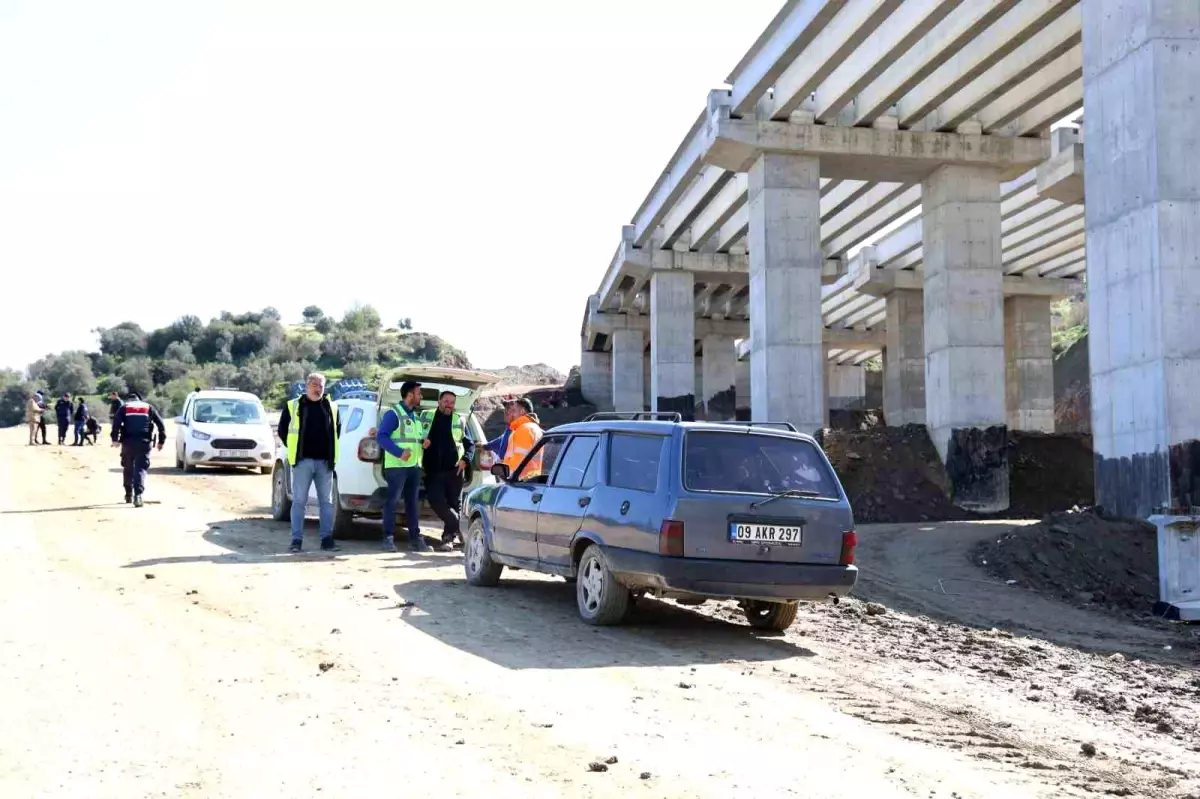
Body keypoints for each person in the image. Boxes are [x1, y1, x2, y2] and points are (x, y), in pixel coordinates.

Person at [278, 372, 340, 553]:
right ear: (307, 386)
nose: (318, 388)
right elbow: (283, 431)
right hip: (302, 462)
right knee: (299, 501)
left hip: (324, 463)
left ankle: (326, 540)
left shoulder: (332, 407)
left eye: (321, 385)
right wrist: (294, 451)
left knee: (326, 503)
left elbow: (337, 432)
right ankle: (296, 541)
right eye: (314, 385)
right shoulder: (293, 406)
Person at [375, 380, 428, 553]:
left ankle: (415, 538)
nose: (421, 396)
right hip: (397, 467)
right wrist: (398, 452)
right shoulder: (394, 414)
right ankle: (388, 538)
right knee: (392, 502)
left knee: (412, 503)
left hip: (414, 467)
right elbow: (382, 437)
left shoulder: (415, 417)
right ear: (410, 394)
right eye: (419, 393)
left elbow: (414, 440)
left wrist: (424, 442)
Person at [420, 390, 475, 550]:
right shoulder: (426, 416)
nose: (449, 405)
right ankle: (460, 525)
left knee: (454, 503)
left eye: (452, 402)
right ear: (439, 401)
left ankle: (447, 539)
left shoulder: (459, 420)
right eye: (446, 401)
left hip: (454, 470)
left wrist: (465, 461)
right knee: (435, 500)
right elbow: (414, 432)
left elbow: (469, 445)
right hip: (432, 470)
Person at [110, 392, 166, 507]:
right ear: (140, 399)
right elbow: (160, 425)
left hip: (128, 442)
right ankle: (138, 496)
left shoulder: (124, 407)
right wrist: (161, 441)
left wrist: (114, 439)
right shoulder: (148, 407)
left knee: (128, 467)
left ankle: (128, 494)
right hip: (144, 443)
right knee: (140, 468)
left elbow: (116, 423)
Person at [501, 397, 544, 474]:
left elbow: (519, 459)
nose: (511, 414)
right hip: (530, 477)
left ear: (522, 411)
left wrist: (507, 475)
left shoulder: (524, 429)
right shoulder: (534, 428)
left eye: (514, 410)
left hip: (519, 479)